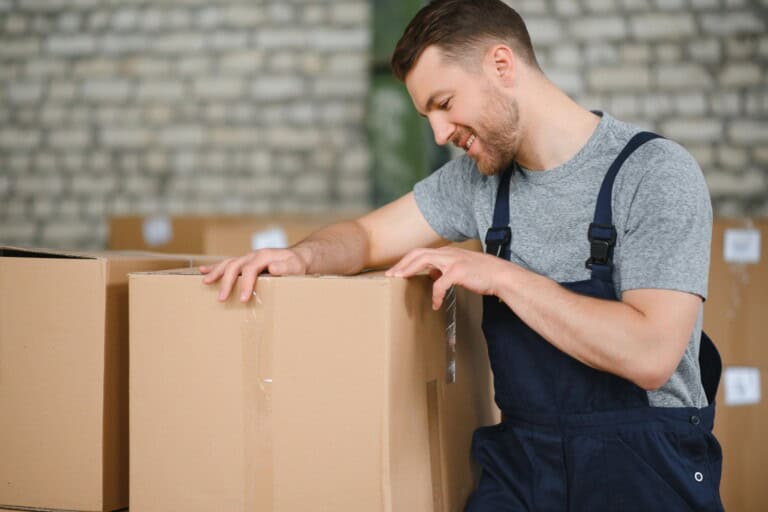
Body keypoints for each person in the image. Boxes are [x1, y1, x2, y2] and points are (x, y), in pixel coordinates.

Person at [201, 0, 724, 509]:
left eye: (444, 103)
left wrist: (502, 276)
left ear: (501, 64)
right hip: (525, 463)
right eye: (427, 114)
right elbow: (364, 236)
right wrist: (302, 258)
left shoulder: (653, 174)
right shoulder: (478, 184)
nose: (439, 133)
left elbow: (651, 355)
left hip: (642, 470)